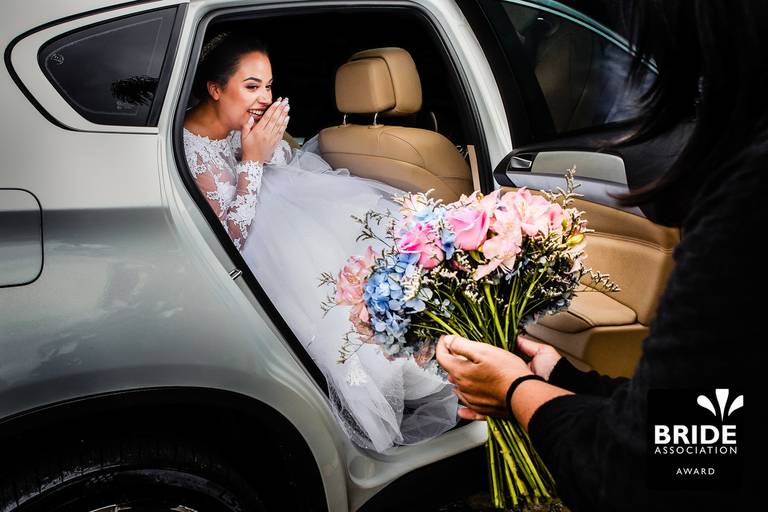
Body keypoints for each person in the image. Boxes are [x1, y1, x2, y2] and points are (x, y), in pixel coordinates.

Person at [436, 0, 762, 510]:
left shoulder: (747, 201)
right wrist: (563, 377)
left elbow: (642, 472)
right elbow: (711, 436)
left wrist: (513, 390)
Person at [182, 32, 458, 452]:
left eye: (269, 86)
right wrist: (252, 162)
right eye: (252, 86)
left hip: (286, 227)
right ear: (215, 89)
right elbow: (226, 241)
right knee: (326, 296)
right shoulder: (188, 149)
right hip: (248, 259)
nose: (264, 98)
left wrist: (266, 147)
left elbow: (285, 167)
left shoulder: (243, 126)